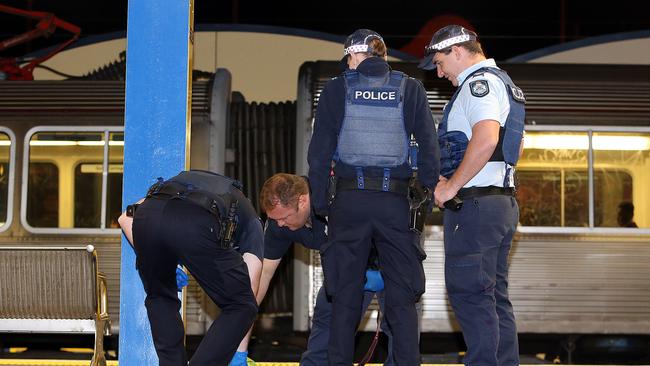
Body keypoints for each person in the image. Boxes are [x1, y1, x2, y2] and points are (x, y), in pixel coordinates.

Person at [307, 29, 440, 365]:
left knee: (345, 296)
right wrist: (421, 195)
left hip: (349, 203)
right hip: (395, 204)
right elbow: (428, 145)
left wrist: (322, 204)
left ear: (354, 55)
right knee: (402, 298)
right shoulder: (410, 88)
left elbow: (319, 153)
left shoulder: (337, 89)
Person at [418, 25, 525, 366]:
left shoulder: (477, 85)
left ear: (458, 52)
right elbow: (516, 143)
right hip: (501, 203)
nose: (439, 72)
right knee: (494, 299)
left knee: (471, 296)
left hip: (476, 206)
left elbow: (487, 138)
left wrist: (450, 186)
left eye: (439, 62)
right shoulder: (505, 84)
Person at [233, 173, 396, 366]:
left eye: (284, 218)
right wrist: (238, 349)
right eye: (274, 219)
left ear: (302, 201)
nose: (280, 224)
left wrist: (385, 270)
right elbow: (261, 278)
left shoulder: (336, 197)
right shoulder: (279, 225)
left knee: (398, 324)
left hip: (389, 253)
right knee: (328, 318)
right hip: (345, 264)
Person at [118, 170, 263, 366]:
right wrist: (239, 351)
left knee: (160, 297)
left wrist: (160, 262)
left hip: (146, 219)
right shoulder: (251, 219)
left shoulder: (186, 181)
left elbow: (124, 219)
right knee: (242, 305)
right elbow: (250, 285)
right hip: (194, 221)